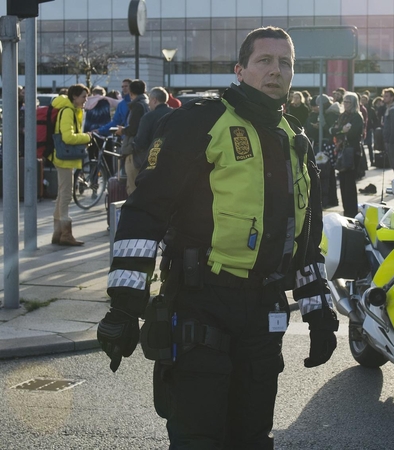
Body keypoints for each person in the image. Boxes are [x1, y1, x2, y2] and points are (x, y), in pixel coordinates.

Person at [96, 26, 338, 449]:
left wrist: (320, 314)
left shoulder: (294, 140)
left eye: (285, 63)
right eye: (264, 61)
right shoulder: (200, 122)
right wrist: (122, 306)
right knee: (198, 440)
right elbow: (145, 211)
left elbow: (304, 239)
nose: (275, 71)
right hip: (200, 306)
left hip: (264, 312)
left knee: (253, 438)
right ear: (240, 69)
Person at [48, 84, 92, 246]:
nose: (85, 100)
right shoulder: (68, 111)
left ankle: (58, 233)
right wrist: (86, 137)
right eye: (83, 96)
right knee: (66, 195)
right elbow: (67, 137)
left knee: (62, 194)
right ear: (74, 97)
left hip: (64, 158)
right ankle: (65, 234)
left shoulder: (71, 109)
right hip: (64, 158)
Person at [330, 92, 363, 218]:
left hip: (352, 151)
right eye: (345, 101)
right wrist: (341, 131)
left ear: (354, 103)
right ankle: (346, 210)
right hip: (341, 151)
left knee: (350, 183)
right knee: (342, 182)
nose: (346, 104)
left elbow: (353, 134)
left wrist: (342, 132)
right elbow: (332, 130)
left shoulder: (357, 117)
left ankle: (351, 211)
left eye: (348, 102)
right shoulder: (342, 116)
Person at [115, 79, 149, 195]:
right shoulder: (146, 103)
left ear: (131, 92)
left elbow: (133, 128)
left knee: (132, 186)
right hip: (142, 149)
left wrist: (122, 130)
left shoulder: (138, 106)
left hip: (133, 150)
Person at [133, 87, 173, 168]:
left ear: (154, 100)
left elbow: (141, 142)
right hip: (172, 159)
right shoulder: (176, 114)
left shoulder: (148, 117)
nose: (148, 103)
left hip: (153, 161)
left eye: (149, 100)